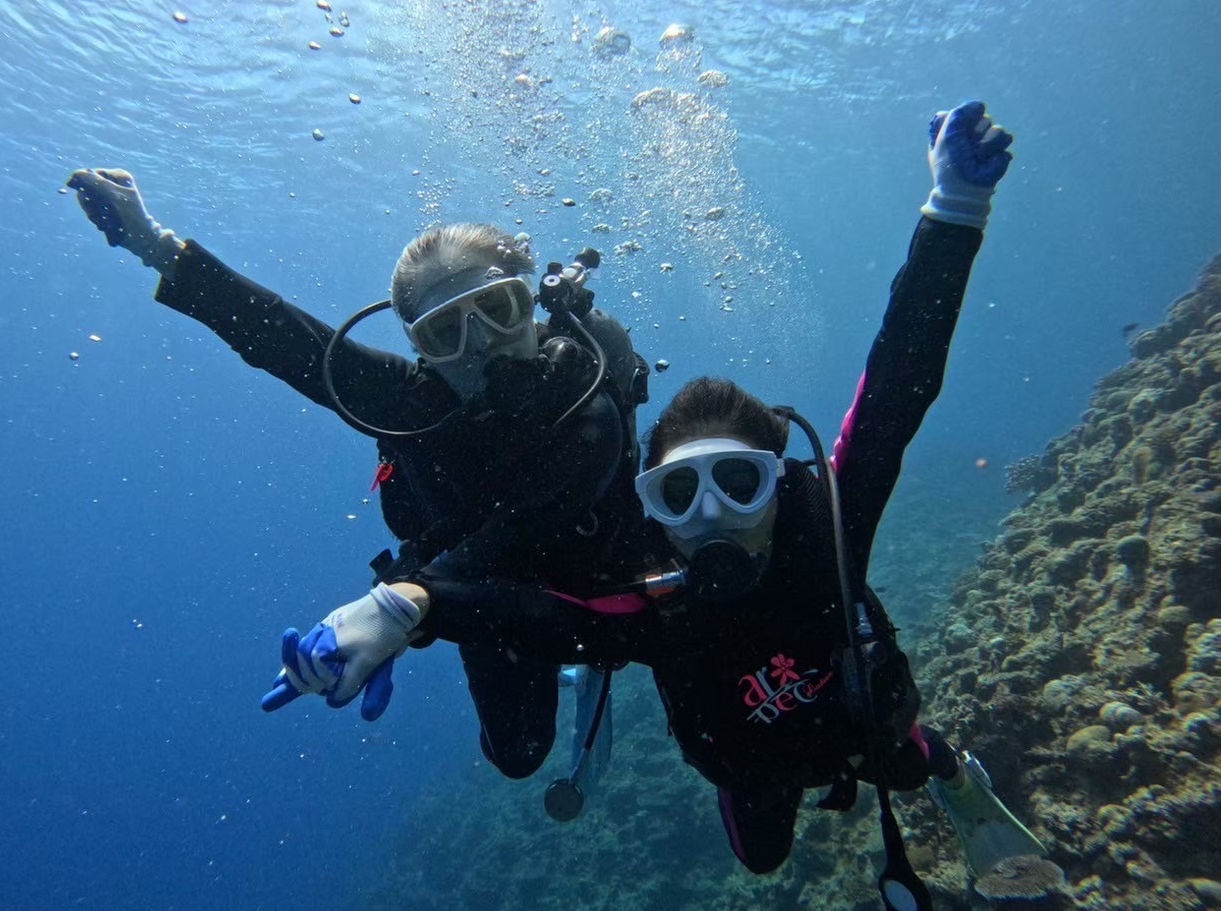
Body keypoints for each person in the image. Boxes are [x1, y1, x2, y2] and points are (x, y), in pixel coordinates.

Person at [270, 102, 1051, 907]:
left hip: (866, 722)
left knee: (904, 758)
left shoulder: (827, 521)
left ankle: (954, 772)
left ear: (779, 479)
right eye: (679, 493)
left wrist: (954, 210)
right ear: (653, 509)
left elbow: (897, 385)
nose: (713, 516)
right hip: (750, 762)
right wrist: (408, 602)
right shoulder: (654, 599)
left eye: (739, 482)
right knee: (759, 857)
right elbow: (537, 616)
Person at [66, 175, 649, 778]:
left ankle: (577, 661)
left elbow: (530, 526)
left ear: (529, 303)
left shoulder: (583, 393)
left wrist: (399, 607)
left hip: (599, 585)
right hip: (473, 590)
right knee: (519, 756)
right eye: (447, 331)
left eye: (498, 309)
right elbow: (288, 342)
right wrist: (151, 242)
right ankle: (566, 670)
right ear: (421, 348)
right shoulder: (412, 404)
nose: (483, 345)